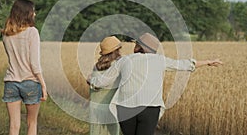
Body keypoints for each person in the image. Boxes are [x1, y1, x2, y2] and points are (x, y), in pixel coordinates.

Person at [89, 33, 223, 135]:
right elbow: (184, 65)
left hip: (125, 108)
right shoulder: (160, 60)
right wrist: (207, 62)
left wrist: (91, 80)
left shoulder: (125, 60)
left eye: (136, 44)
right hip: (150, 108)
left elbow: (103, 81)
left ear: (139, 47)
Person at [1, 0, 47, 135]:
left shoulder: (6, 34)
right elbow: (34, 63)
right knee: (31, 123)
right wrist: (43, 84)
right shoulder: (32, 32)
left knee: (14, 126)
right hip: (30, 82)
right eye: (33, 11)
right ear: (27, 13)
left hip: (11, 82)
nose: (35, 14)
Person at [89, 36, 121, 135]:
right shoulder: (117, 66)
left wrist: (90, 80)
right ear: (116, 51)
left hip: (95, 108)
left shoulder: (97, 66)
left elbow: (94, 83)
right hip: (111, 108)